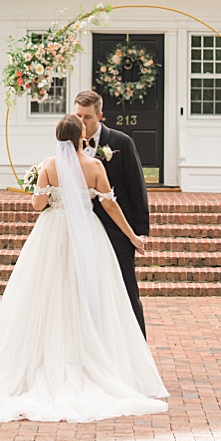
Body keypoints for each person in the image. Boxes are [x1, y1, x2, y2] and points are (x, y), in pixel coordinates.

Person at [0, 113, 168, 424]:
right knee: (88, 292)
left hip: (51, 234)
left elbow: (37, 205)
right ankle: (90, 357)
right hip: (87, 235)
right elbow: (110, 205)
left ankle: (47, 358)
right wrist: (132, 235)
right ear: (81, 137)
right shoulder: (95, 167)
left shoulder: (48, 165)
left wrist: (45, 190)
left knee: (47, 292)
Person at [74, 89, 151, 334]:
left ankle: (138, 345)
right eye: (78, 116)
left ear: (100, 116)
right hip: (83, 228)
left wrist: (139, 231)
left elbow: (137, 187)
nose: (82, 122)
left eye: (87, 117)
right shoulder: (68, 146)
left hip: (117, 229)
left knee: (127, 289)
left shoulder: (121, 143)